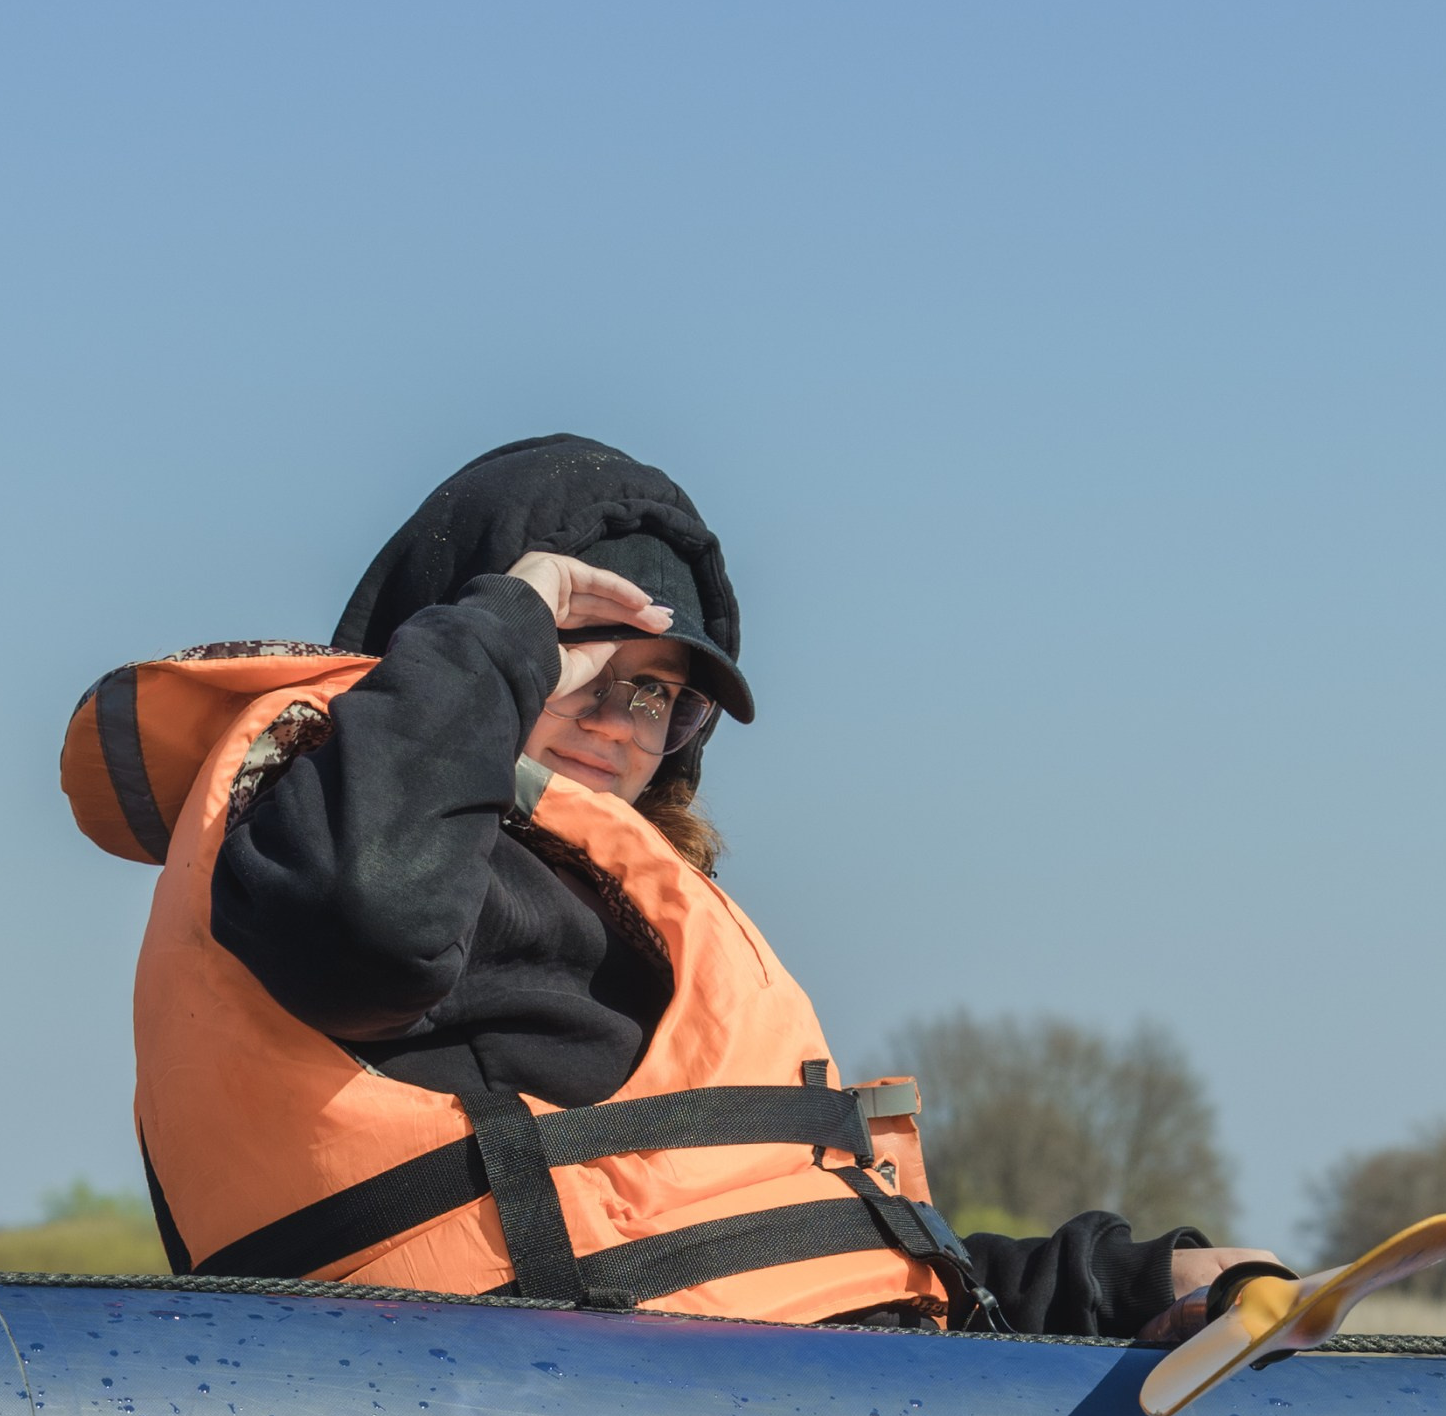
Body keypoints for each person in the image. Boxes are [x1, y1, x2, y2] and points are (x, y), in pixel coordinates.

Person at [62, 435, 1278, 1337]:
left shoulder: (623, 913)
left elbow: (809, 1249)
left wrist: (1126, 1282)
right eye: (584, 657)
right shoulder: (329, 830)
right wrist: (509, 627)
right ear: (461, 649)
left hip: (795, 1406)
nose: (617, 715)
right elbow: (364, 934)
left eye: (659, 690)